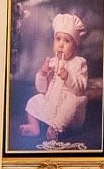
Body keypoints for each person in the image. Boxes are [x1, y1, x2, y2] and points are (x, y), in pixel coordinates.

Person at [25, 11, 93, 141]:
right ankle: (34, 126)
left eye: (67, 41)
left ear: (75, 46)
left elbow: (81, 87)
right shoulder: (51, 61)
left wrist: (68, 77)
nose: (61, 44)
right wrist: (43, 74)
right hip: (51, 105)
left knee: (73, 102)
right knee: (34, 100)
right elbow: (42, 89)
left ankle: (55, 129)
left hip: (69, 115)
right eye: (58, 39)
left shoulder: (79, 62)